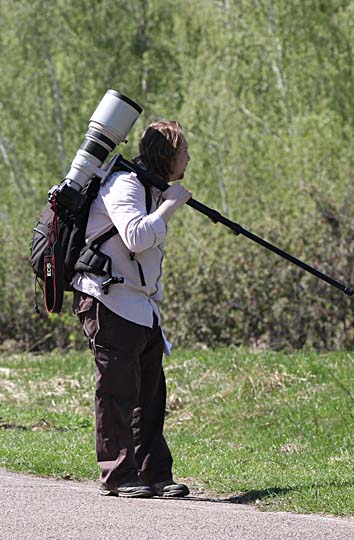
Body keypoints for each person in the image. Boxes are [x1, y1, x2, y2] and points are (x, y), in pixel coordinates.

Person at [71, 120, 192, 498]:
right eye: (184, 152)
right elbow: (137, 238)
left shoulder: (149, 188)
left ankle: (155, 473)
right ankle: (118, 475)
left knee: (151, 395)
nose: (189, 158)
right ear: (169, 156)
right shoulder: (124, 184)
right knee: (117, 392)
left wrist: (164, 200)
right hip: (108, 300)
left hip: (140, 306)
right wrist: (171, 205)